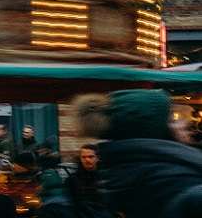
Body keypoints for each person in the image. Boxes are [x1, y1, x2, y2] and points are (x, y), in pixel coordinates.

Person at [74, 89, 202, 218]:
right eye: (172, 120)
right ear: (156, 131)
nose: (183, 124)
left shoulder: (132, 172)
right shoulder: (174, 180)